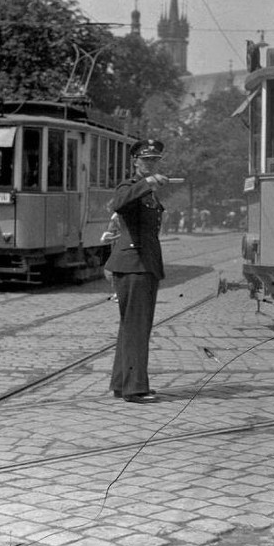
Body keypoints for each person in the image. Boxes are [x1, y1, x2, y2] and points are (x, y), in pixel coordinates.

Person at [105, 139, 168, 404]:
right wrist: (148, 183)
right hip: (133, 266)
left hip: (144, 265)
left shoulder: (147, 192)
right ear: (135, 162)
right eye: (147, 160)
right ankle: (134, 388)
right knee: (136, 328)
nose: (152, 164)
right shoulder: (130, 187)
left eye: (155, 160)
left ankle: (122, 383)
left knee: (132, 327)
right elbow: (118, 203)